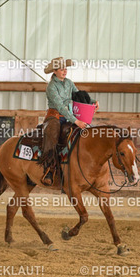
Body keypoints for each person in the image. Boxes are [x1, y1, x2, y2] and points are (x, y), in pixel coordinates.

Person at [38, 57, 98, 186]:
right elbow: (60, 107)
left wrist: (93, 102)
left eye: (65, 68)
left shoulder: (69, 83)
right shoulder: (51, 87)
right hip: (54, 116)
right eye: (61, 69)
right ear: (55, 71)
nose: (64, 71)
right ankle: (49, 169)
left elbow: (77, 95)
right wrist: (76, 121)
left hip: (69, 115)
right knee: (52, 134)